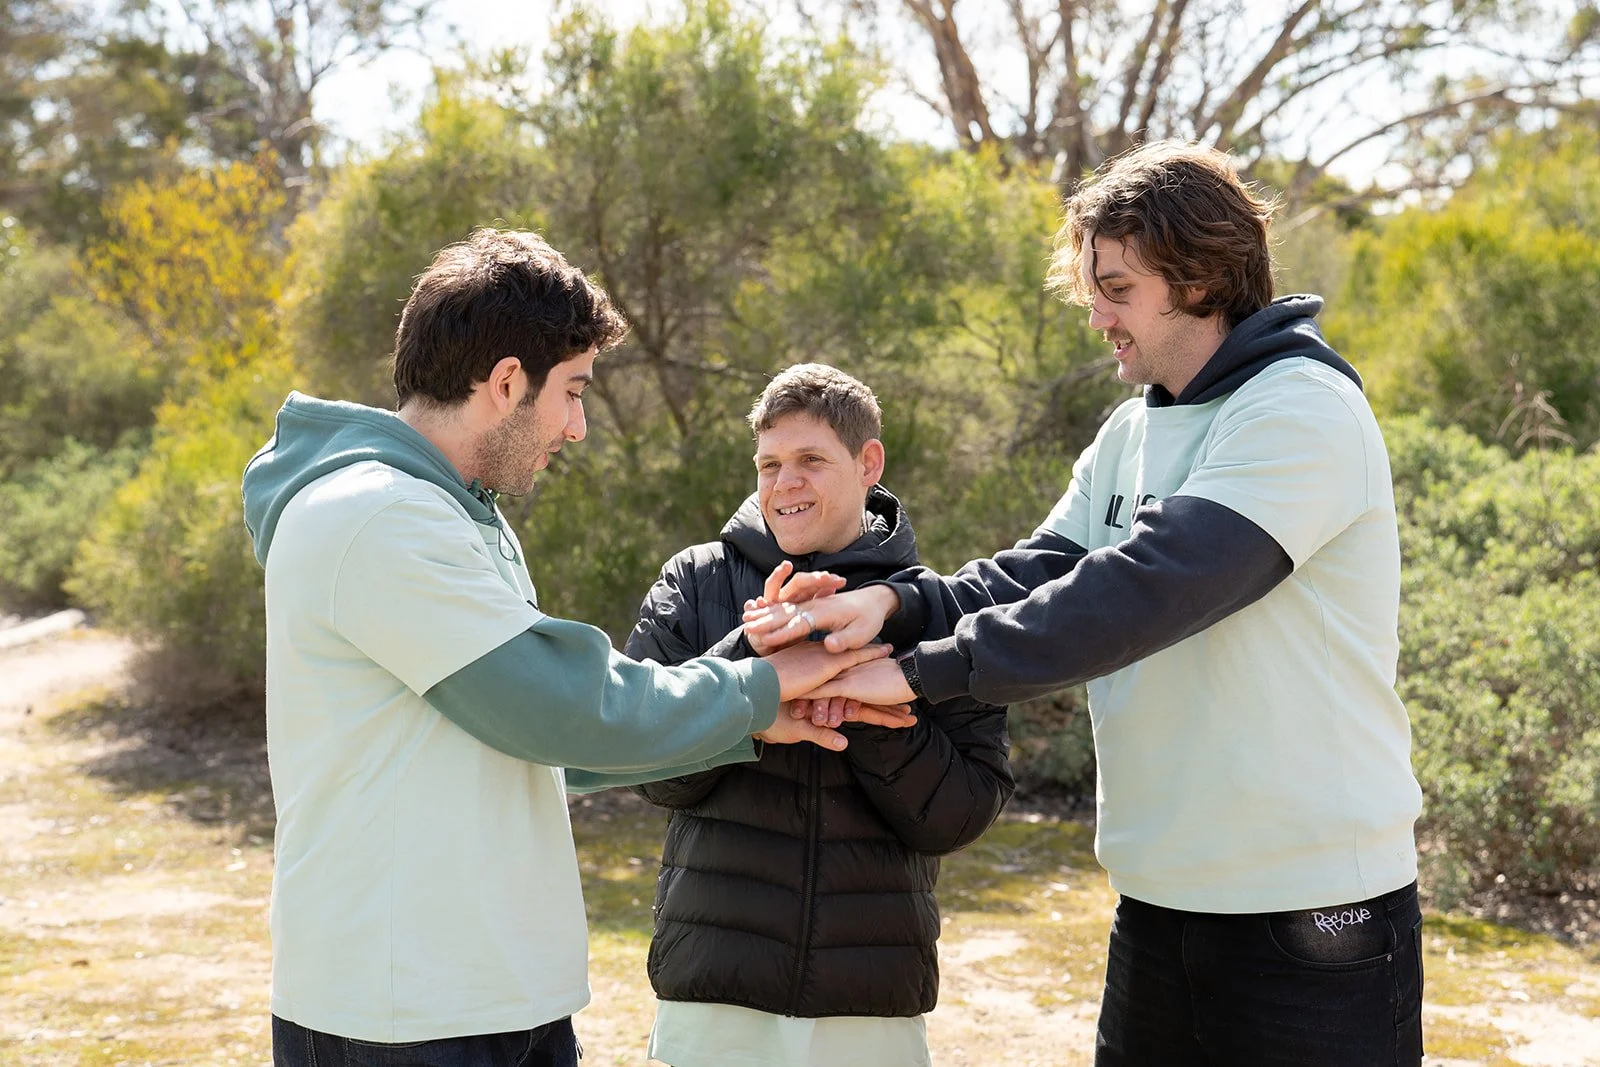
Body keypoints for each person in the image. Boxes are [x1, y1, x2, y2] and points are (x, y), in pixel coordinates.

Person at [746, 143, 1427, 1066]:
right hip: (1157, 906)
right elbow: (1038, 574)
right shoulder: (1132, 427)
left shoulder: (1300, 409)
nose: (1097, 315)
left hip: (1311, 920)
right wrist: (894, 606)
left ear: (1200, 274)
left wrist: (913, 673)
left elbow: (1139, 592)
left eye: (1116, 287)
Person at [240, 229, 906, 1067]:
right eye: (574, 392)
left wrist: (750, 693)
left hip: (481, 994)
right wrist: (759, 687)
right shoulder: (380, 515)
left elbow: (531, 740)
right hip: (404, 1009)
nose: (579, 426)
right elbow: (561, 709)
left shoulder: (454, 512)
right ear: (508, 381)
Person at [623, 364, 1015, 1067]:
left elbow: (961, 814)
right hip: (715, 993)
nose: (784, 483)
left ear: (869, 463)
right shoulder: (693, 581)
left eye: (810, 460)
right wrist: (750, 667)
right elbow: (647, 764)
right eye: (769, 464)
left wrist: (866, 704)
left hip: (868, 1004)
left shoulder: (942, 611)